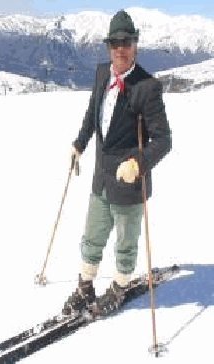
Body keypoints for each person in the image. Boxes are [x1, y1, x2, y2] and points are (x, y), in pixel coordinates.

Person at [62, 9, 171, 316]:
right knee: (92, 237)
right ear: (108, 46)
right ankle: (85, 286)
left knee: (125, 244)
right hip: (101, 178)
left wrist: (138, 163)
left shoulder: (147, 87)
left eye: (126, 41)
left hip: (129, 183)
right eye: (114, 42)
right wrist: (79, 144)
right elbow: (91, 115)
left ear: (135, 44)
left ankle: (119, 287)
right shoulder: (101, 74)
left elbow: (164, 140)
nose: (120, 48)